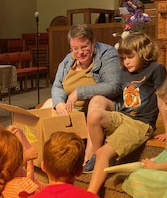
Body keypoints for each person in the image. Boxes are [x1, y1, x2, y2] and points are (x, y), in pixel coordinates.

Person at [85, 32, 167, 195]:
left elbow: (162, 99)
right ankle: (98, 157)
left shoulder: (156, 69)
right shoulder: (124, 71)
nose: (126, 61)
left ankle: (90, 196)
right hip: (123, 117)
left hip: (141, 123)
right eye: (124, 58)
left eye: (130, 57)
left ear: (143, 52)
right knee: (94, 115)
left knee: (106, 152)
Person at [40, 24, 122, 162]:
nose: (80, 52)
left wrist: (79, 92)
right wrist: (59, 103)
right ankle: (39, 153)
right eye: (75, 48)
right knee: (49, 103)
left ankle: (89, 157)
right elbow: (57, 85)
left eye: (84, 46)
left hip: (100, 106)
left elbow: (114, 86)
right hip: (73, 109)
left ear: (93, 42)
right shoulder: (69, 59)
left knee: (96, 99)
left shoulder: (107, 54)